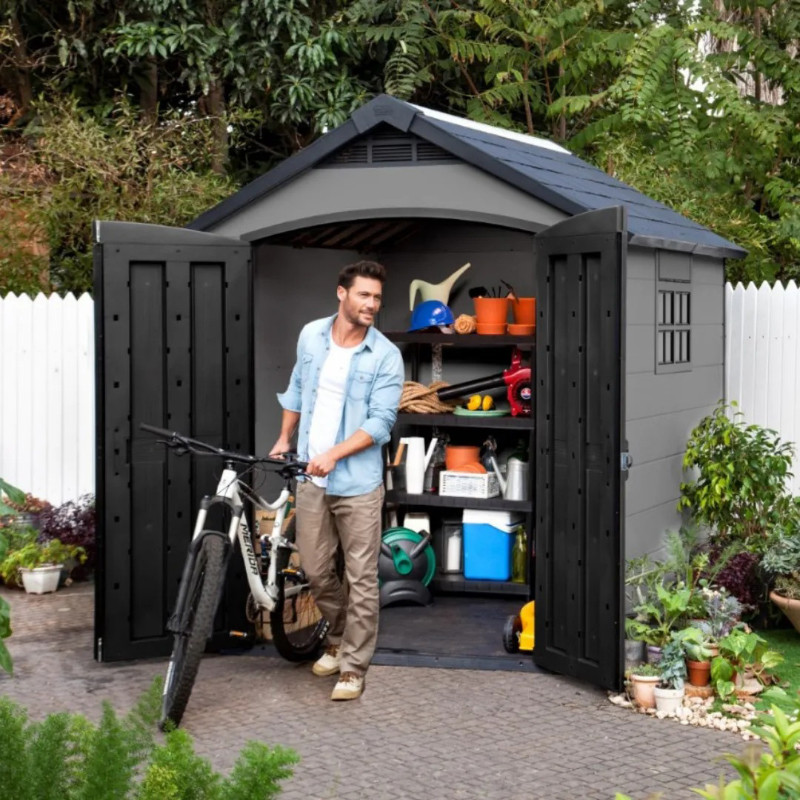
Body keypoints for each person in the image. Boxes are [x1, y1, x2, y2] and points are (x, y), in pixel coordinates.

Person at [269, 260, 404, 701]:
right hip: (311, 478)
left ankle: (353, 666)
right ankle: (341, 636)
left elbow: (380, 423)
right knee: (315, 569)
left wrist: (333, 454)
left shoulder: (385, 355)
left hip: (358, 483)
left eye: (377, 297)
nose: (372, 304)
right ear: (341, 293)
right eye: (364, 294)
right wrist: (285, 438)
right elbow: (296, 389)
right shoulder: (311, 335)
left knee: (361, 577)